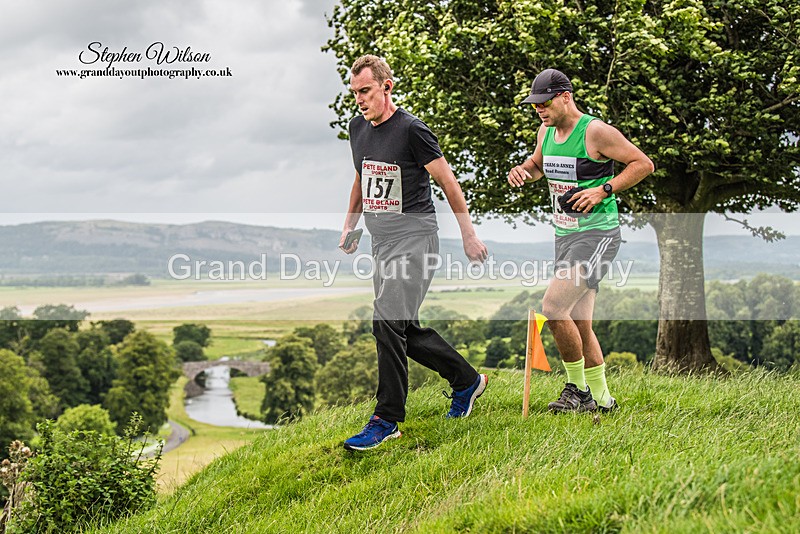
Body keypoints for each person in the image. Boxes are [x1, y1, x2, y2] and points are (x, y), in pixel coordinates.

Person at [338, 55, 490, 451]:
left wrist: (469, 236)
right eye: (354, 93)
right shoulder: (357, 128)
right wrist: (351, 224)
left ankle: (386, 419)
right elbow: (361, 176)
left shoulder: (412, 130)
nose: (359, 100)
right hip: (382, 242)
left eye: (365, 91)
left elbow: (448, 182)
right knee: (399, 327)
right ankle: (467, 380)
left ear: (387, 87)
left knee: (386, 320)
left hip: (416, 238)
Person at [508, 68, 654, 413]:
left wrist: (603, 189)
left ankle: (578, 391)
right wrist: (524, 171)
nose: (539, 110)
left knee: (553, 307)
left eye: (544, 103)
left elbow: (642, 164)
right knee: (580, 323)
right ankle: (603, 400)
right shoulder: (545, 131)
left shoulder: (596, 132)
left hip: (598, 234)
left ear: (565, 97)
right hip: (565, 235)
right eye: (534, 105)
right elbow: (538, 164)